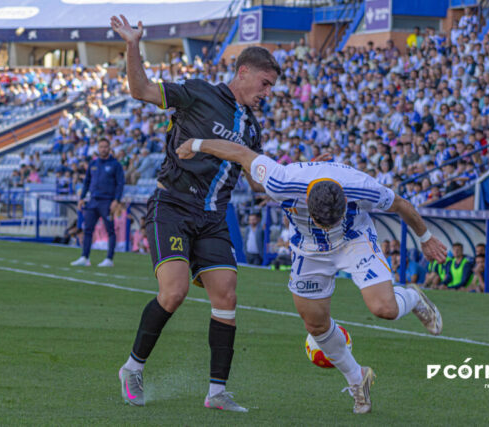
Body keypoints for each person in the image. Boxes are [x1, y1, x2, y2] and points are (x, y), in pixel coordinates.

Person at [176, 137, 447, 414]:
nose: (327, 226)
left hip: (354, 240)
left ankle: (413, 298)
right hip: (309, 248)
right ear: (307, 200)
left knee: (385, 309)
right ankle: (357, 378)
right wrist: (196, 144)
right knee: (315, 325)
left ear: (344, 200)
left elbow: (400, 204)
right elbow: (240, 152)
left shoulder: (363, 186)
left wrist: (425, 238)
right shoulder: (281, 180)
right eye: (322, 221)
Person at [111, 14, 280, 412]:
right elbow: (140, 90)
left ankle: (217, 392)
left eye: (271, 86)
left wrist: (305, 176)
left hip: (213, 218)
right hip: (172, 205)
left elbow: (258, 183)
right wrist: (133, 44)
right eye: (264, 83)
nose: (267, 92)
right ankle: (132, 368)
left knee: (227, 295)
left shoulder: (252, 128)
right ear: (243, 72)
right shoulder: (199, 92)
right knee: (174, 292)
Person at [71, 137, 125, 267]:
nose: (103, 149)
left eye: (105, 147)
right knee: (88, 229)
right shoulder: (93, 164)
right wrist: (82, 198)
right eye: (101, 147)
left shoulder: (115, 165)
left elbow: (120, 184)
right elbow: (86, 182)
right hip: (93, 201)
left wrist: (116, 200)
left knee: (110, 230)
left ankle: (109, 259)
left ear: (109, 148)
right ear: (98, 148)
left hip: (107, 202)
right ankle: (84, 257)